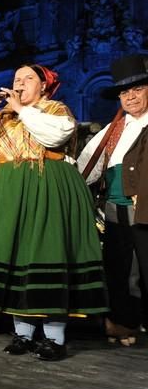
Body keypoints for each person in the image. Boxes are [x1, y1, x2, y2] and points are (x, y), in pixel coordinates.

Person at [0, 64, 108, 361]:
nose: (20, 84)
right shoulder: (1, 117)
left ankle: (54, 337)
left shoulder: (55, 109)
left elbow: (55, 138)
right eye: (16, 79)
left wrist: (21, 109)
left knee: (46, 254)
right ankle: (22, 333)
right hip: (8, 191)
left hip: (46, 186)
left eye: (28, 79)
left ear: (44, 86)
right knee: (15, 256)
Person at [78, 54, 148, 346]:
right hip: (114, 207)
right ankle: (123, 322)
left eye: (137, 89)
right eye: (124, 91)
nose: (130, 97)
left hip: (143, 207)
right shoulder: (114, 128)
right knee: (118, 268)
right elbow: (87, 167)